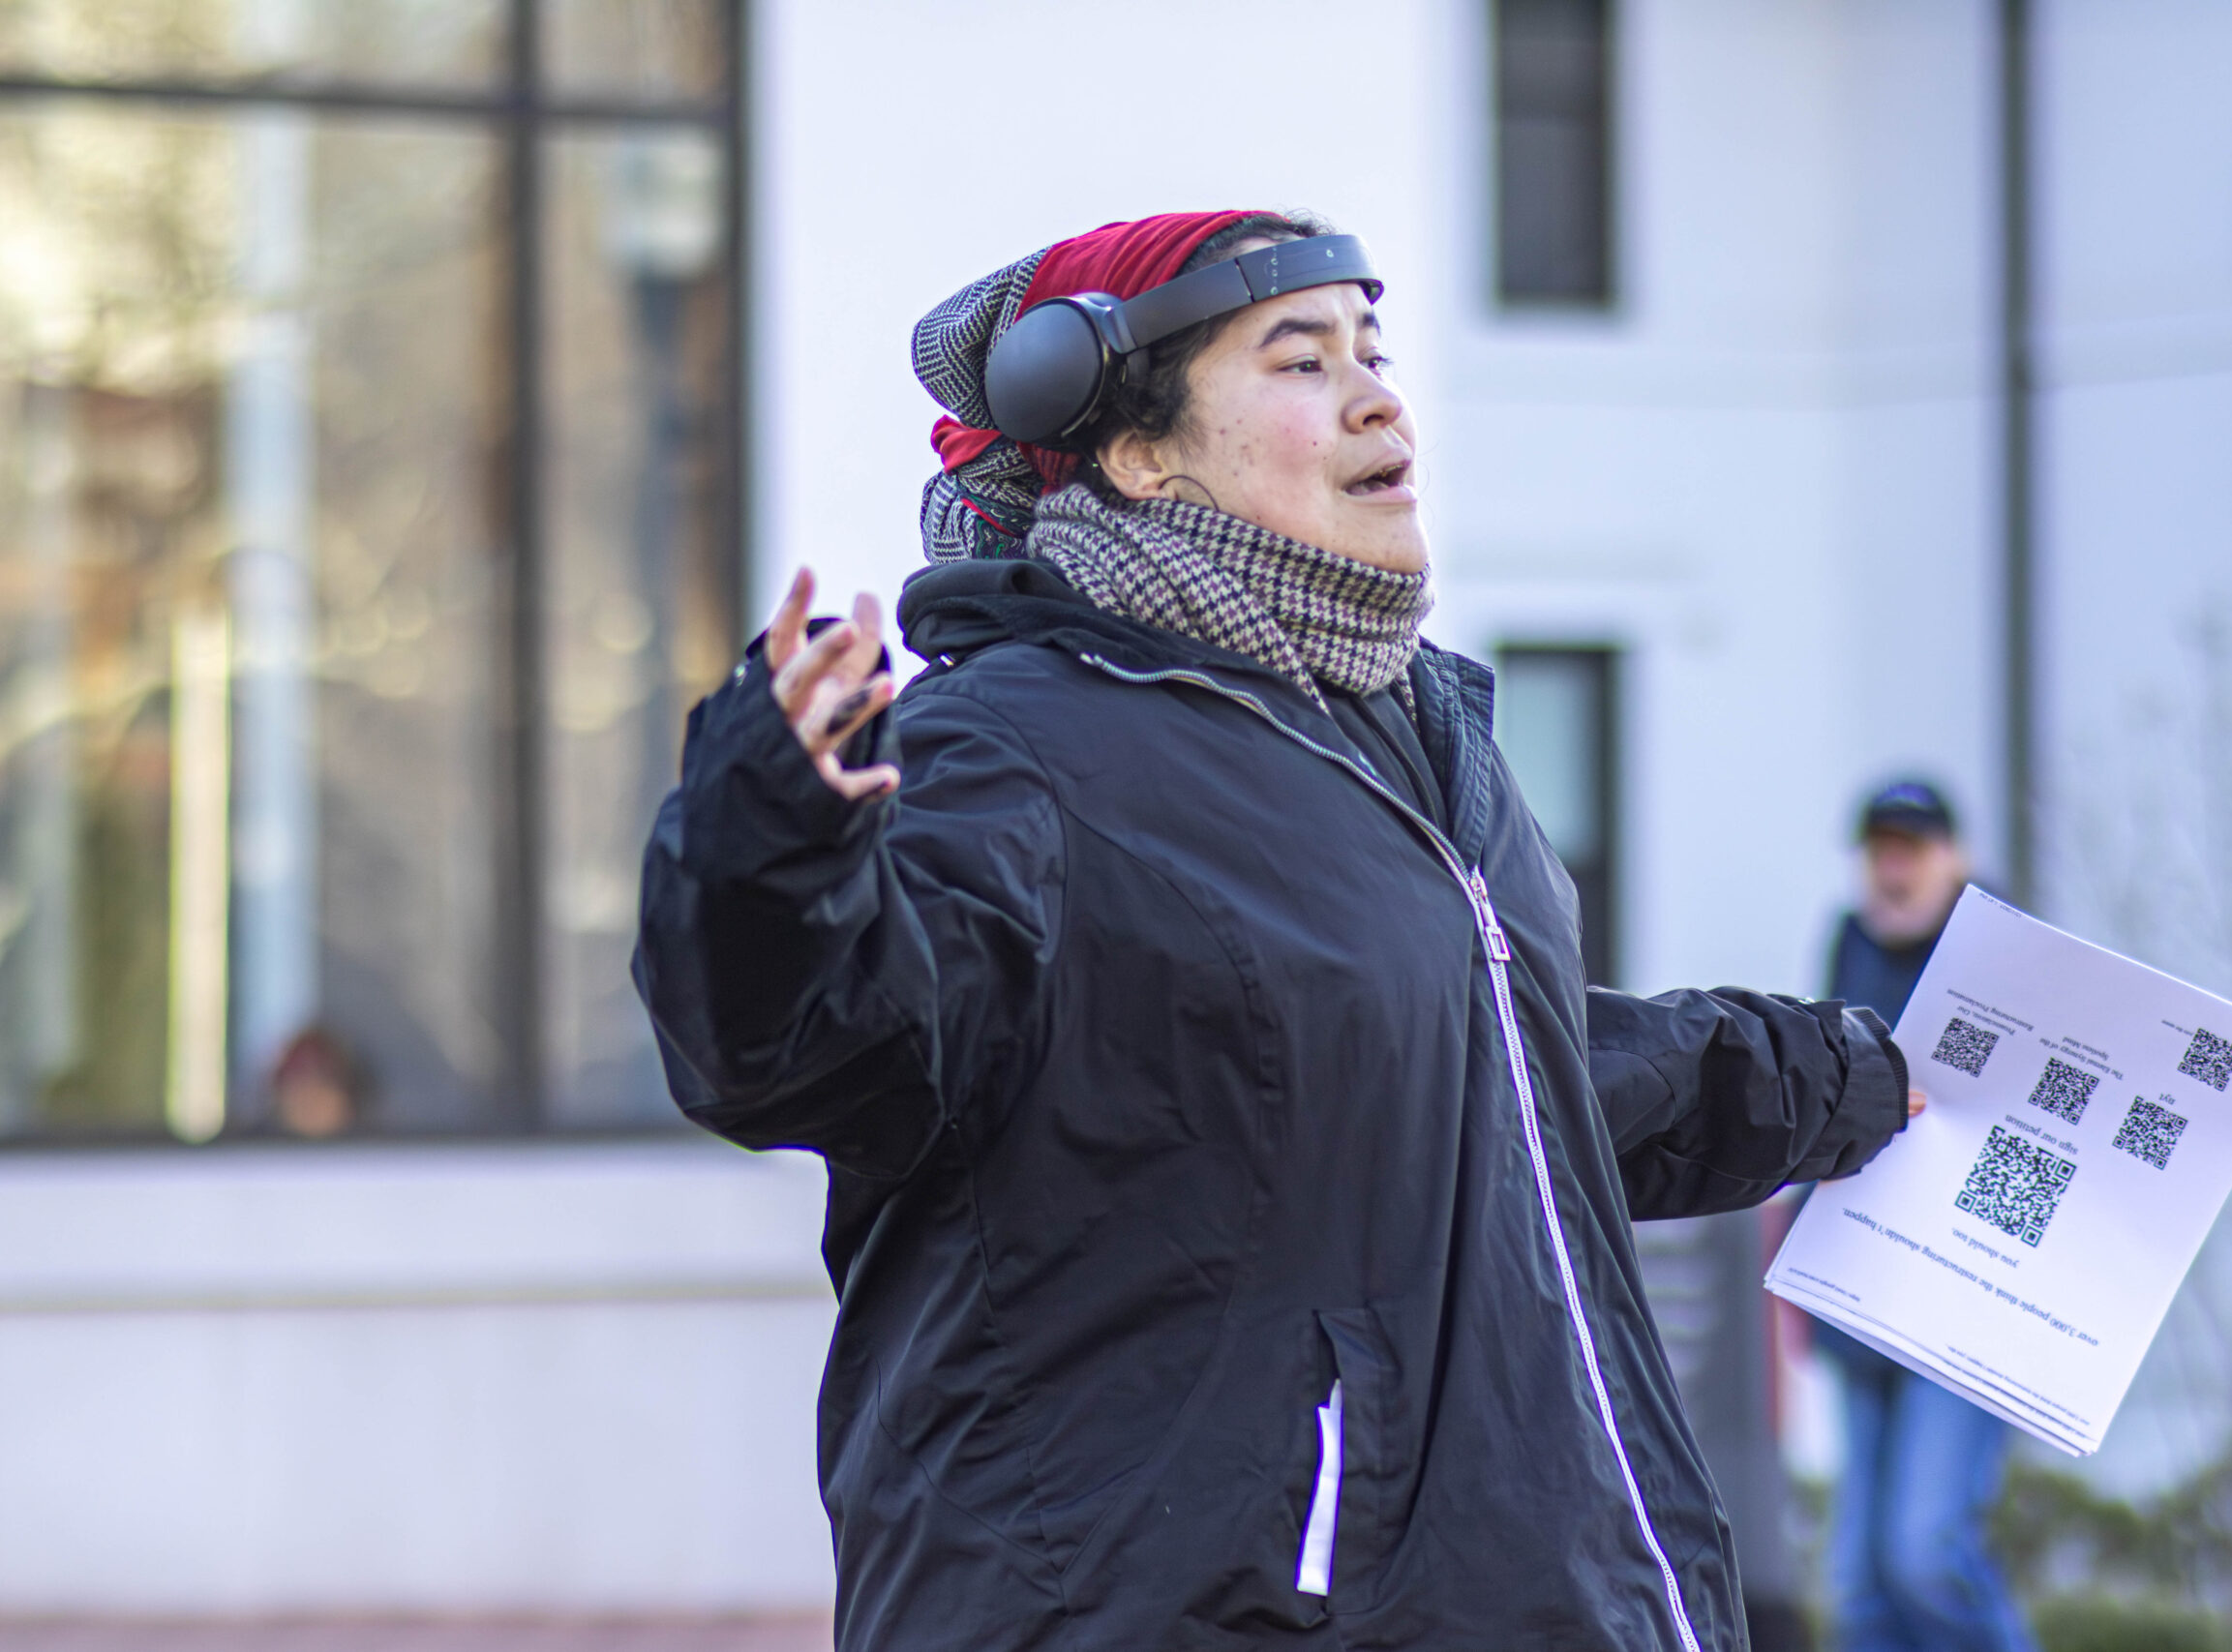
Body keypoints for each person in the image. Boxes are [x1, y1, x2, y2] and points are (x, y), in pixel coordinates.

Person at [635, 209, 1916, 1651]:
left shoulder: (1427, 748)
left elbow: (1493, 1078)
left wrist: (1852, 1078)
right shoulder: (1012, 749)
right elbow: (813, 1041)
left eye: (1374, 351)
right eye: (1303, 362)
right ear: (1137, 453)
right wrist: (770, 843)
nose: (1380, 396)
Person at [1815, 780, 2035, 1652]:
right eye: (1880, 849)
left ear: (1958, 861)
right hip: (1863, 1289)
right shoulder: (1849, 944)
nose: (1892, 867)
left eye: (1911, 847)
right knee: (1862, 1587)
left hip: (1964, 1296)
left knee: (1924, 1554)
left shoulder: (2008, 954)